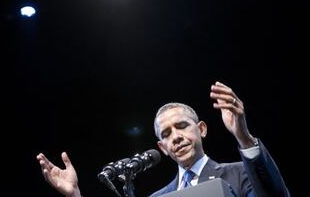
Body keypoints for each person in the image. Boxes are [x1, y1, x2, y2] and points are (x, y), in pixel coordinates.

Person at [36, 81, 290, 197]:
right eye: (167, 134)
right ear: (162, 148)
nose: (176, 137)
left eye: (182, 126)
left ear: (201, 129)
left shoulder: (238, 174)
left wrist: (243, 137)